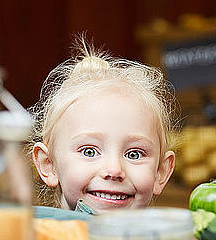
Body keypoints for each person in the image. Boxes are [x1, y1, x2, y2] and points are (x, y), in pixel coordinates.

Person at [30, 38, 178, 212]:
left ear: (161, 172)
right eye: (89, 151)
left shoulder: (175, 239)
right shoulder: (27, 238)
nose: (114, 170)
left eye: (135, 154)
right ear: (49, 165)